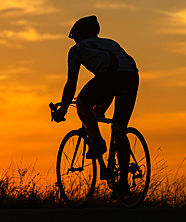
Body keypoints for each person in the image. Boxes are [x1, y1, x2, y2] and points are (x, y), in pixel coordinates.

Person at [53, 15, 139, 195]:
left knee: (82, 104)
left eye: (75, 36)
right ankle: (123, 181)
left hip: (109, 76)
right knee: (119, 128)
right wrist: (101, 108)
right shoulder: (111, 43)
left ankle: (97, 142)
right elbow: (121, 68)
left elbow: (71, 84)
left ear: (79, 35)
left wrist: (62, 109)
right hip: (131, 76)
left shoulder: (76, 50)